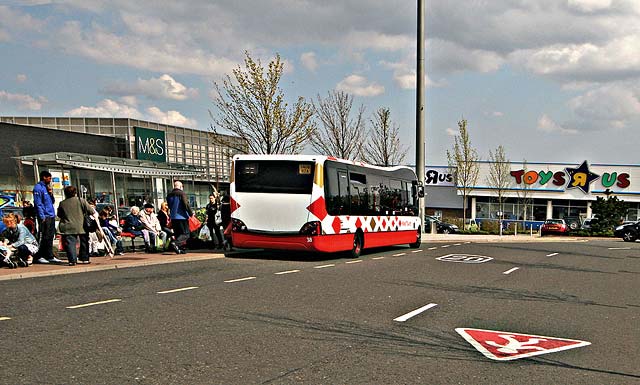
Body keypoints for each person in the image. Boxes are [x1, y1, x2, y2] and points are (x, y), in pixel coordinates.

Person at [57, 186, 97, 266]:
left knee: (70, 243)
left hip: (68, 226)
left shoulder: (62, 203)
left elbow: (59, 215)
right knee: (84, 241)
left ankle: (72, 260)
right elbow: (91, 211)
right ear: (75, 192)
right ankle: (84, 258)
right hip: (81, 225)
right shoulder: (81, 200)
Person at [33, 170, 63, 264]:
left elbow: (52, 201)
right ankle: (39, 256)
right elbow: (38, 203)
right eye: (49, 178)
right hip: (45, 216)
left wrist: (51, 194)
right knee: (44, 236)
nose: (50, 180)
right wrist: (42, 216)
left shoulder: (47, 188)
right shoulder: (38, 188)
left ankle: (49, 255)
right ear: (44, 177)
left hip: (51, 215)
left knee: (50, 236)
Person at [166, 181, 193, 254]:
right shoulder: (182, 193)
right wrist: (191, 213)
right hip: (182, 216)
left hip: (173, 217)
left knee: (178, 233)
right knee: (186, 234)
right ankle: (175, 243)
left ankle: (179, 249)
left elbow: (169, 206)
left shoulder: (169, 195)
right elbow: (185, 204)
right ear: (181, 187)